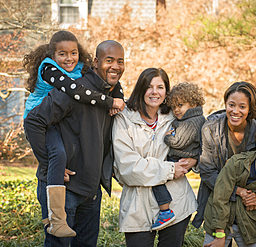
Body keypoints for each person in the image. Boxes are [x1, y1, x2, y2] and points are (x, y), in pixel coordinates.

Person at [22, 31, 125, 238]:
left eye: (120, 61)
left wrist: (117, 98)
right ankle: (56, 219)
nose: (115, 66)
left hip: (90, 190)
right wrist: (48, 163)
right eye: (109, 60)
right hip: (65, 188)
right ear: (96, 62)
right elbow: (33, 121)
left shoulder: (103, 88)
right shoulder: (72, 88)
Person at [112, 68, 197, 247]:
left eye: (160, 87)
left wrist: (194, 159)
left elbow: (199, 133)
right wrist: (171, 169)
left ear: (166, 91)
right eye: (149, 87)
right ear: (140, 89)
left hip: (177, 203)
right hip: (137, 205)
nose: (154, 92)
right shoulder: (123, 119)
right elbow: (128, 167)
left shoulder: (175, 115)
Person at [203, 121, 256, 247]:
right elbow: (220, 197)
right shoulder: (236, 163)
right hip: (220, 224)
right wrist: (219, 235)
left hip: (249, 227)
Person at [192, 81, 256, 229]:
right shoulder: (210, 129)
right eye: (231, 105)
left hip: (248, 204)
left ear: (250, 109)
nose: (235, 111)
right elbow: (207, 172)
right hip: (217, 199)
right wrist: (238, 191)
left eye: (242, 107)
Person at [150, 82, 206, 231]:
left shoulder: (192, 122)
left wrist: (168, 137)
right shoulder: (190, 119)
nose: (176, 110)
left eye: (180, 105)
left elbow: (179, 141)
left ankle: (165, 211)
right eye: (174, 107)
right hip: (182, 157)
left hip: (179, 159)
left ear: (193, 103)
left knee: (156, 176)